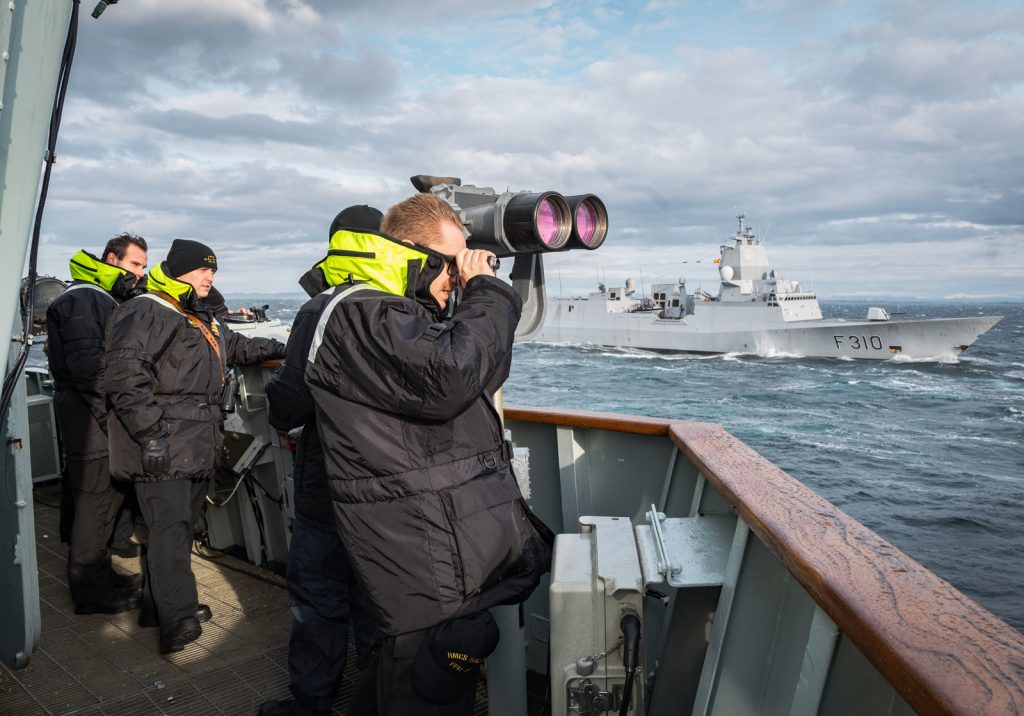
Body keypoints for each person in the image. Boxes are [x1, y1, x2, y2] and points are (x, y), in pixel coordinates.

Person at [304, 193, 553, 714]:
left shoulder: (400, 315)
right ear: (411, 250)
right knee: (425, 687)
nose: (455, 275)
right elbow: (451, 377)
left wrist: (468, 300)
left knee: (404, 686)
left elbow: (478, 375)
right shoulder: (357, 312)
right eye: (449, 262)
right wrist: (487, 292)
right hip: (422, 561)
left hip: (438, 552)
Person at [103, 239, 286, 654]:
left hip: (195, 439)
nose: (210, 277)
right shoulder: (146, 309)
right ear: (178, 271)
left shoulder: (199, 318)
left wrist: (285, 348)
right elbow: (124, 376)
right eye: (203, 270)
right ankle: (177, 618)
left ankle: (157, 606)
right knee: (169, 528)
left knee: (178, 526)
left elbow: (237, 347)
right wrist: (150, 434)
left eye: (214, 271)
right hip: (163, 440)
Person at [260, 206, 383, 716]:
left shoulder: (322, 309)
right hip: (389, 493)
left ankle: (311, 704)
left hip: (330, 487)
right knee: (379, 606)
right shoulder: (405, 306)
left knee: (319, 599)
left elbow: (290, 404)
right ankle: (382, 700)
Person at [46, 233, 148, 614]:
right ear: (112, 259)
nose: (140, 273)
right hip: (92, 426)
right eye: (135, 264)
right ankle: (90, 593)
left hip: (90, 422)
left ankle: (103, 577)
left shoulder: (94, 297)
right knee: (94, 509)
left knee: (101, 505)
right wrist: (121, 420)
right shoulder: (85, 299)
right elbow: (91, 369)